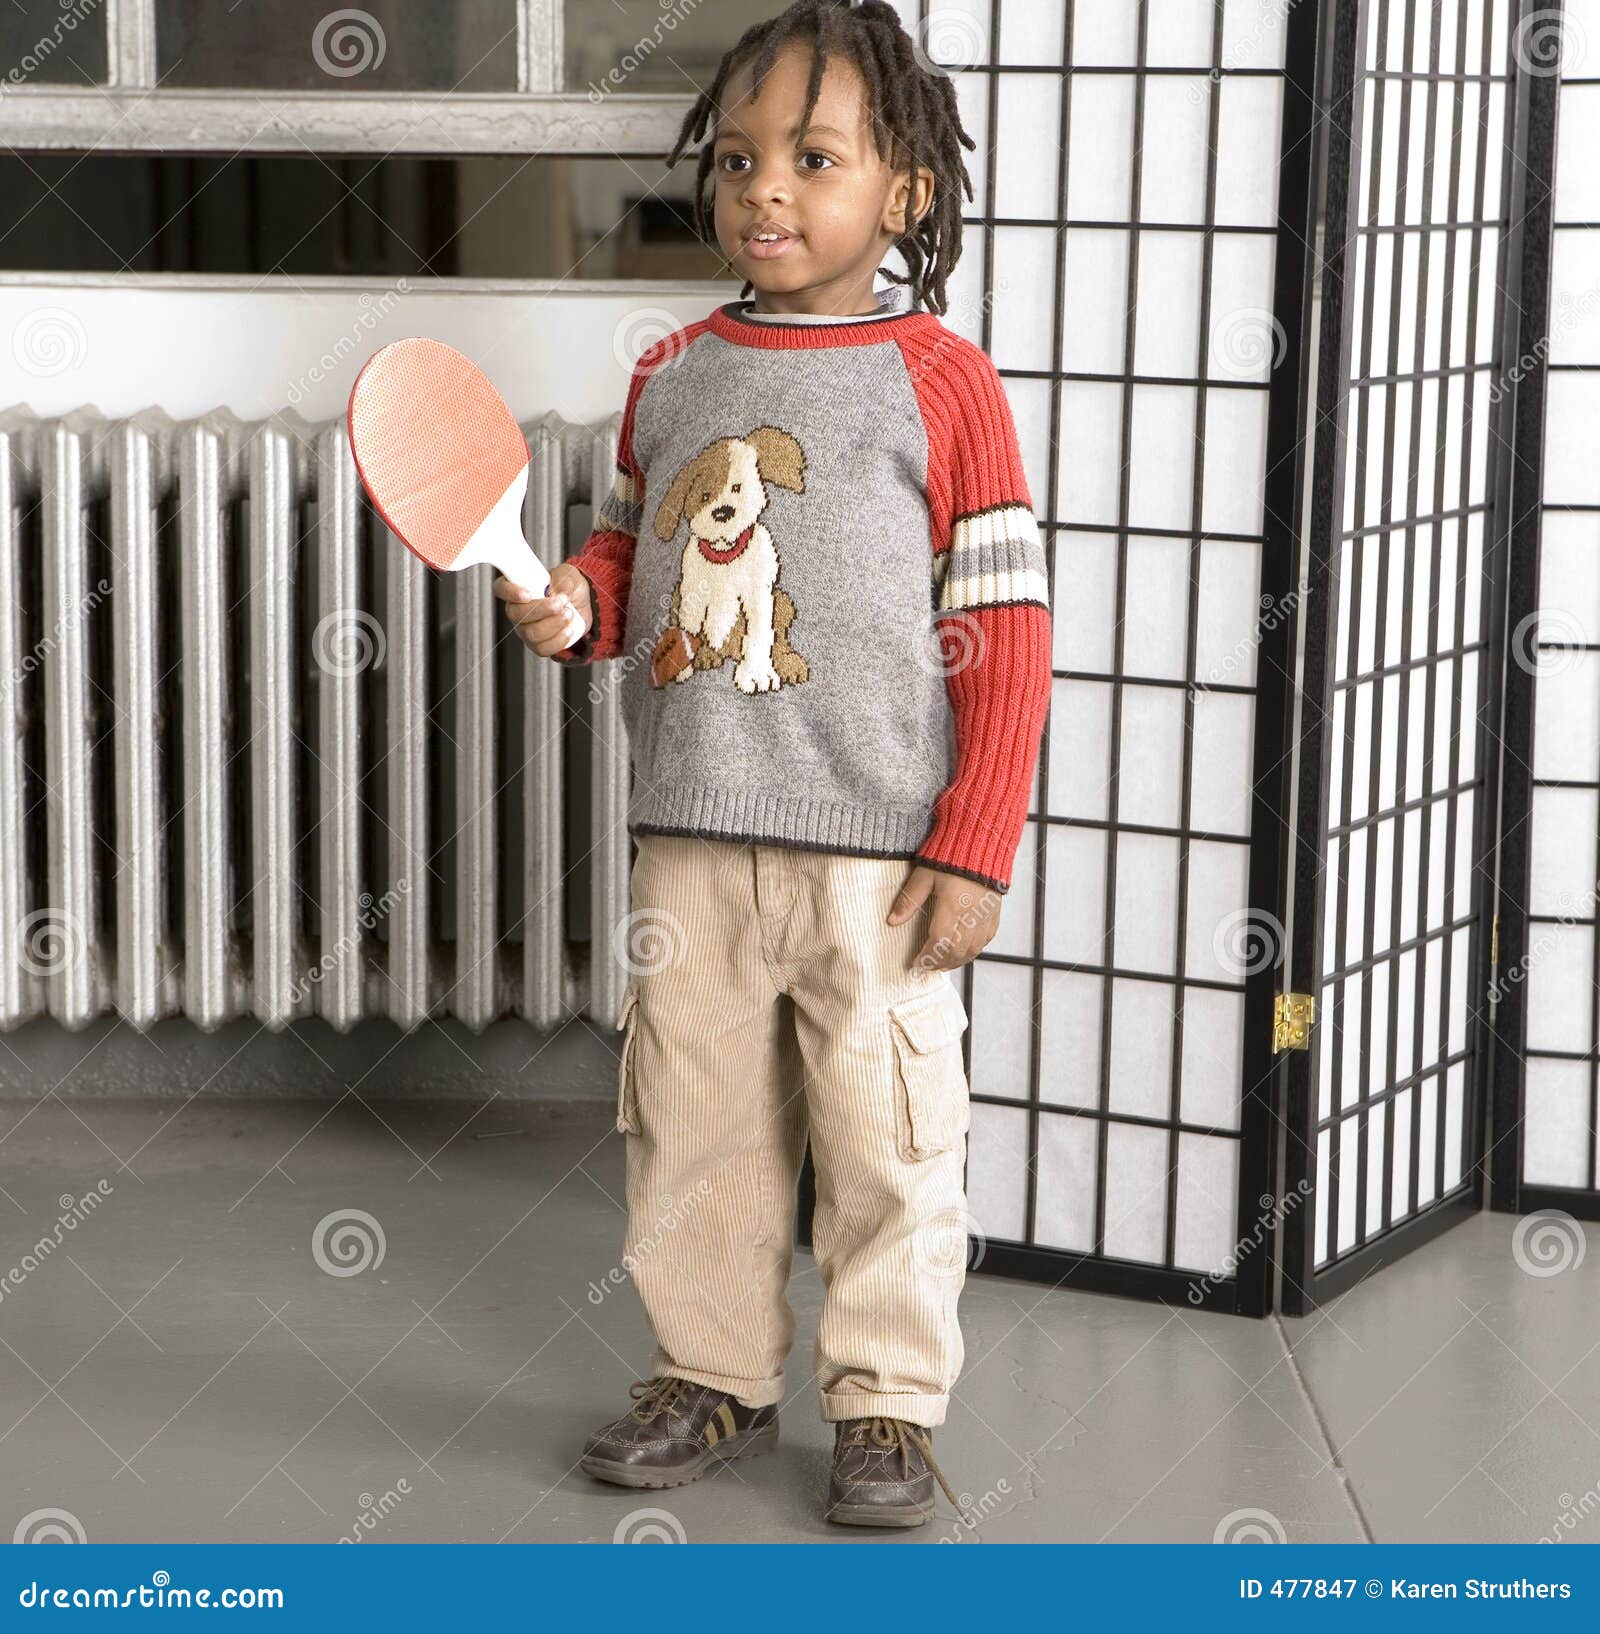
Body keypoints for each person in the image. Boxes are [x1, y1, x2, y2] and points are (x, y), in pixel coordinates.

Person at [494, 0, 1051, 1529]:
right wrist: (577, 607)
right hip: (691, 839)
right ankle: (712, 1374)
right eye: (738, 159)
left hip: (881, 853)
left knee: (886, 1133)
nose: (765, 191)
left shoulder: (944, 384)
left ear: (906, 192)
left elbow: (1004, 631)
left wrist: (975, 843)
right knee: (695, 1122)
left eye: (814, 157)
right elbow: (634, 564)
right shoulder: (671, 371)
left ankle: (885, 1403)